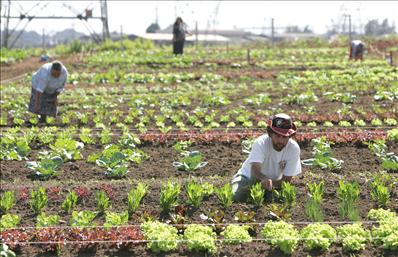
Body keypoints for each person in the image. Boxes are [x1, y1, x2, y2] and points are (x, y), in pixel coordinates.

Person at [231, 113, 302, 202]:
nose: (280, 140)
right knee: (236, 197)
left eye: (284, 137)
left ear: (290, 136)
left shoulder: (294, 148)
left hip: (274, 183)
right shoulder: (261, 143)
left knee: (278, 201)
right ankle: (237, 182)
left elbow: (286, 181)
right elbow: (254, 171)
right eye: (277, 135)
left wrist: (270, 184)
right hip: (248, 177)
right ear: (270, 133)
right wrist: (263, 179)